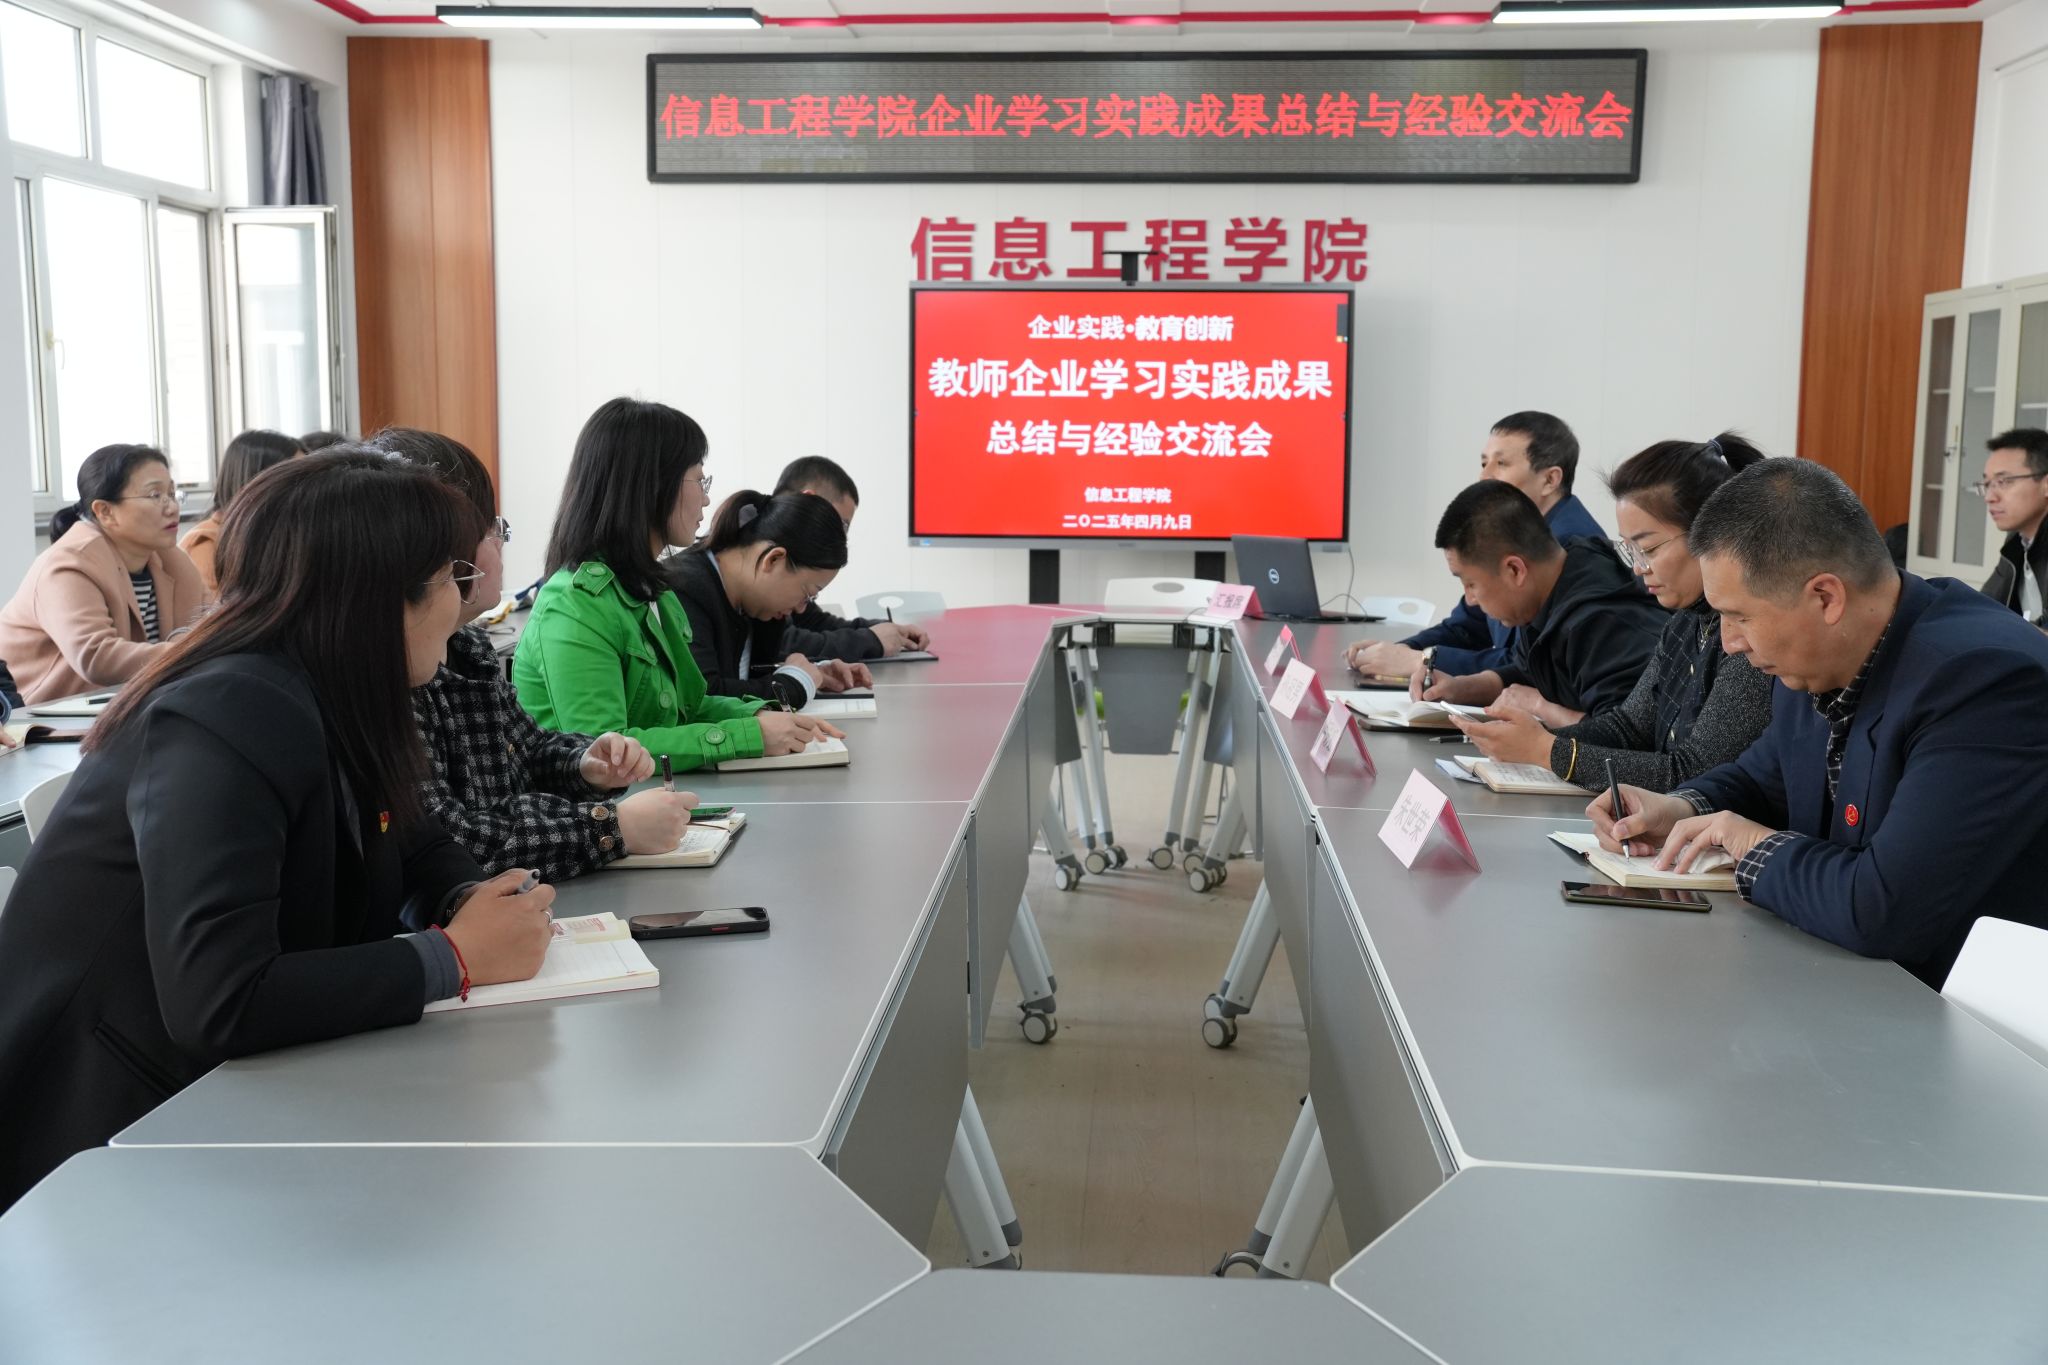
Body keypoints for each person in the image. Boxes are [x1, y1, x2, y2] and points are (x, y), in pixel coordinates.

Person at [0, 449, 558, 1212]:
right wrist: (453, 956)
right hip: (108, 1145)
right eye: (451, 578)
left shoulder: (333, 687)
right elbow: (220, 1000)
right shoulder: (226, 714)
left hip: (234, 1104)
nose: (463, 602)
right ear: (381, 598)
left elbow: (411, 832)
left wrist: (466, 894)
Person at [1591, 459, 2048, 990]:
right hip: (1841, 983)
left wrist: (1750, 843)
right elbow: (1764, 775)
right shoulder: (1817, 657)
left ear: (1825, 597)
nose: (1729, 643)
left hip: (1964, 1010)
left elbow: (1881, 910)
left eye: (1740, 617)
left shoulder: (1983, 681)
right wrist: (1682, 809)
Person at [372, 427, 702, 879]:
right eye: (492, 529)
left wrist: (584, 764)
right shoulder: (395, 675)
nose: (500, 541)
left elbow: (526, 750)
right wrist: (610, 827)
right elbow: (448, 839)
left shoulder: (467, 646)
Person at [513, 398, 838, 768]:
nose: (707, 498)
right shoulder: (575, 605)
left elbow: (689, 706)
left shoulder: (654, 591)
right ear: (652, 485)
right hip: (593, 804)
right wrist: (748, 736)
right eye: (699, 480)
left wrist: (760, 717)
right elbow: (604, 751)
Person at [1454, 435, 1776, 791]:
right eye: (1630, 550)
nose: (1638, 568)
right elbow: (1628, 728)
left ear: (1711, 535)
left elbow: (1693, 774)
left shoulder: (1747, 638)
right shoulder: (1685, 622)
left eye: (1649, 549)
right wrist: (1535, 740)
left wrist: (1548, 751)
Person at [1348, 411, 1605, 680]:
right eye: (1484, 463)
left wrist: (1422, 660)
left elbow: (1529, 664)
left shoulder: (1567, 551)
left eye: (1501, 463)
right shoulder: (1509, 535)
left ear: (1550, 480)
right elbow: (1469, 626)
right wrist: (1402, 651)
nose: (1484, 476)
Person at [1413, 481, 1665, 719]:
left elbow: (1626, 738)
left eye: (1471, 584)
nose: (1470, 600)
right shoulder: (1552, 583)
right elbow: (1528, 671)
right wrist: (1460, 687)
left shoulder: (1600, 622)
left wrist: (1539, 707)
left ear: (1515, 570)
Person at [0, 444, 206, 703]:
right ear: (105, 511)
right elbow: (97, 656)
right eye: (156, 495)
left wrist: (203, 645)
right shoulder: (69, 564)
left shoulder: (172, 559)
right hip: (42, 715)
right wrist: (193, 651)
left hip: (131, 705)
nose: (172, 507)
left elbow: (213, 625)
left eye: (172, 494)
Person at [669, 490, 873, 707]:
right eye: (807, 594)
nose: (801, 609)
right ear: (773, 559)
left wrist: (817, 672)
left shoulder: (752, 602)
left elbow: (746, 675)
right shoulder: (685, 589)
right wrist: (795, 684)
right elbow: (704, 698)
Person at [772, 455, 931, 660]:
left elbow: (813, 622)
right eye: (842, 524)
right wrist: (870, 640)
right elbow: (781, 644)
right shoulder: (767, 554)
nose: (842, 537)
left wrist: (882, 630)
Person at [181, 429, 302, 596]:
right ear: (259, 481)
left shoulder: (282, 534)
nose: (309, 488)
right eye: (298, 478)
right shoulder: (204, 545)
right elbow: (218, 611)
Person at [1975, 428, 2048, 626]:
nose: (1990, 497)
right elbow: (1982, 607)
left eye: (2004, 481)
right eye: (1987, 484)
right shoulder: (2018, 540)